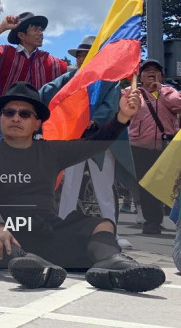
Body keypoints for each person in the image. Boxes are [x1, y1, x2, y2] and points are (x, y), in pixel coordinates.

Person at [0, 82, 165, 293]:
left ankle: (110, 264)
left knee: (102, 224)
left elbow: (93, 145)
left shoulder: (51, 151)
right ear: (1, 118)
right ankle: (26, 265)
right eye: (9, 112)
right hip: (7, 235)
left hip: (47, 232)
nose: (15, 118)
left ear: (37, 123)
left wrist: (122, 117)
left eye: (24, 114)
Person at [39, 35, 134, 248]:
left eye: (88, 55)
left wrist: (91, 121)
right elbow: (45, 94)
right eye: (81, 55)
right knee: (69, 186)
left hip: (100, 140)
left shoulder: (110, 80)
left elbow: (110, 108)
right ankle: (60, 229)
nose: (83, 59)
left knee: (104, 187)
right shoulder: (68, 79)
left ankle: (112, 233)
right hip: (74, 139)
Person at [0, 13, 67, 138]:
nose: (41, 33)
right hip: (10, 121)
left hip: (40, 125)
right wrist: (2, 27)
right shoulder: (3, 54)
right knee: (7, 155)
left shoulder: (52, 63)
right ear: (21, 35)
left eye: (41, 30)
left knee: (39, 157)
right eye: (35, 29)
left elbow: (74, 77)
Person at [127, 59, 181, 234]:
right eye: (147, 71)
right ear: (140, 76)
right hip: (140, 147)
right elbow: (125, 107)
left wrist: (161, 90)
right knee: (147, 186)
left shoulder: (168, 92)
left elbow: (178, 103)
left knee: (172, 185)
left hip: (167, 148)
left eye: (155, 71)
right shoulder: (132, 92)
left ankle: (171, 217)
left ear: (162, 76)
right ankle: (152, 222)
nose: (151, 73)